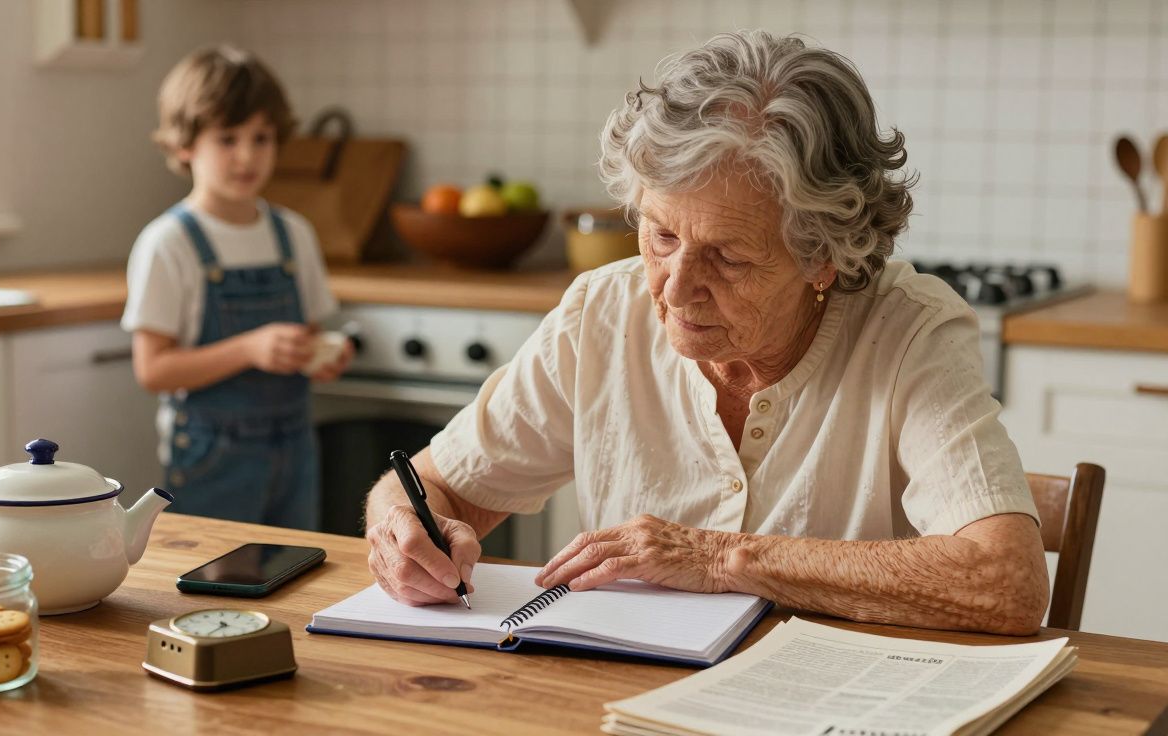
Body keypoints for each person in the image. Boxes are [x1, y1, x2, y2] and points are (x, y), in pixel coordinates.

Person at [361, 31, 1051, 635]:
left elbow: (1005, 582)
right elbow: (433, 487)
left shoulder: (909, 332)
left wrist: (722, 556)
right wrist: (404, 533)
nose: (673, 285)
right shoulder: (602, 312)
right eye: (660, 234)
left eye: (728, 256)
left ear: (824, 257)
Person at [121, 46, 351, 529]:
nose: (247, 156)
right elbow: (153, 369)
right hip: (212, 458)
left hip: (295, 447)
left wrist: (319, 357)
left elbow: (306, 335)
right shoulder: (169, 243)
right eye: (227, 139)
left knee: (294, 580)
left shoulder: (294, 234)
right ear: (185, 145)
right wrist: (250, 349)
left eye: (261, 138)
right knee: (219, 584)